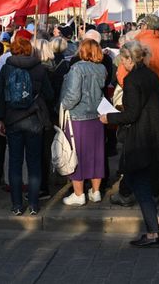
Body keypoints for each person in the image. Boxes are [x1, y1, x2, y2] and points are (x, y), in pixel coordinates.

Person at [102, 40, 159, 247]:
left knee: (140, 183)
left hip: (141, 137)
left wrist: (110, 118)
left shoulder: (132, 80)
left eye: (122, 60)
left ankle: (152, 233)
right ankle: (157, 222)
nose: (121, 63)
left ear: (128, 59)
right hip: (153, 134)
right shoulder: (150, 75)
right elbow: (156, 104)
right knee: (132, 177)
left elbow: (132, 114)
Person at [0, 36, 55, 216]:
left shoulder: (6, 68)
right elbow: (50, 95)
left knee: (15, 162)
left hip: (13, 120)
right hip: (34, 120)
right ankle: (34, 204)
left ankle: (17, 205)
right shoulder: (39, 68)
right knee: (34, 162)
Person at [58, 38, 108, 206]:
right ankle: (96, 191)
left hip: (78, 117)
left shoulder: (77, 68)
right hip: (97, 116)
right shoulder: (102, 68)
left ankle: (79, 194)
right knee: (96, 154)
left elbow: (73, 95)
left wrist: (62, 106)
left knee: (76, 155)